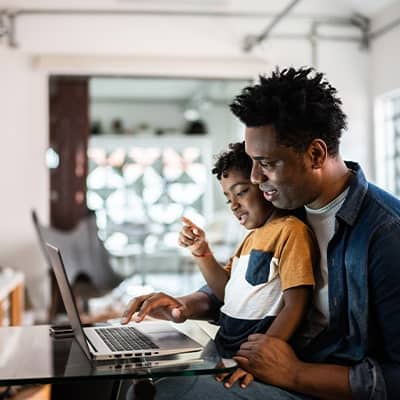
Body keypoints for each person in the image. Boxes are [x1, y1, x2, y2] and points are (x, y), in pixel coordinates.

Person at [123, 67, 400, 399]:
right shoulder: (284, 207)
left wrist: (296, 374)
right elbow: (247, 288)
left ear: (315, 154)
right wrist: (184, 305)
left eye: (267, 163)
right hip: (264, 367)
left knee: (168, 395)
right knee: (135, 378)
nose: (254, 178)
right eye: (252, 162)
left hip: (312, 385)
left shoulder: (386, 235)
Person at [179, 141, 316, 383]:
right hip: (222, 348)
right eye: (228, 197)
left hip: (248, 359)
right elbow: (226, 293)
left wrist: (260, 358)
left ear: (265, 185)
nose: (233, 204)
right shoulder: (251, 238)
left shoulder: (291, 231)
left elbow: (296, 305)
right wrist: (202, 252)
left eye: (241, 192)